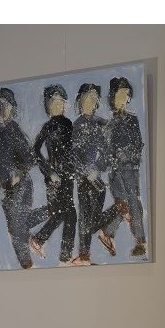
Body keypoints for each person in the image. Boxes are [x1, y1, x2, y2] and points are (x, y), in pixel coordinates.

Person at [0, 87, 48, 269]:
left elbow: (30, 158)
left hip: (21, 186)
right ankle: (52, 211)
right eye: (1, 105)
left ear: (12, 108)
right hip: (5, 189)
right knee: (15, 228)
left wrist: (18, 174)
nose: (4, 109)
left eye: (7, 105)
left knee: (17, 227)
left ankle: (27, 263)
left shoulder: (14, 129)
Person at [98, 76, 147, 258]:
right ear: (113, 97)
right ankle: (137, 241)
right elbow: (107, 155)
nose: (124, 98)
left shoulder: (133, 120)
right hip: (116, 173)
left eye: (126, 95)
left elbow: (138, 145)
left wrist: (127, 155)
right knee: (126, 205)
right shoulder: (108, 126)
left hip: (131, 170)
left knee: (134, 204)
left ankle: (111, 233)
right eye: (120, 94)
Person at [29, 85, 79, 264]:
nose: (57, 105)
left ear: (64, 105)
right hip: (54, 178)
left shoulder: (69, 124)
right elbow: (35, 150)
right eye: (53, 102)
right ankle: (45, 243)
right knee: (61, 213)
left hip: (68, 175)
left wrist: (75, 169)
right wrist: (49, 171)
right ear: (47, 105)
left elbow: (72, 150)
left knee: (68, 214)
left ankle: (62, 253)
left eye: (60, 102)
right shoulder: (48, 126)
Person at [70, 83, 110, 265]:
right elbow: (73, 155)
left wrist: (97, 169)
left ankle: (116, 212)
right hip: (83, 179)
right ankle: (84, 254)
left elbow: (108, 151)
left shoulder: (101, 123)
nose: (90, 102)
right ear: (80, 101)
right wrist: (86, 172)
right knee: (85, 217)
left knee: (91, 220)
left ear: (97, 102)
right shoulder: (76, 126)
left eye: (93, 99)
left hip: (97, 179)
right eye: (86, 98)